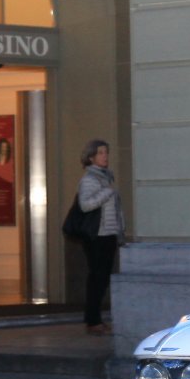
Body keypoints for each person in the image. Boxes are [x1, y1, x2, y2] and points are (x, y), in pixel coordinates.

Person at [76, 139, 124, 334]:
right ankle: (93, 320)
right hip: (97, 236)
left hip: (108, 234)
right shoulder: (90, 180)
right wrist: (106, 192)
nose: (105, 156)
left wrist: (120, 229)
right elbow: (85, 205)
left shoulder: (105, 178)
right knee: (97, 278)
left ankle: (94, 319)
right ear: (91, 157)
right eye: (101, 153)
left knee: (102, 278)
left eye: (106, 152)